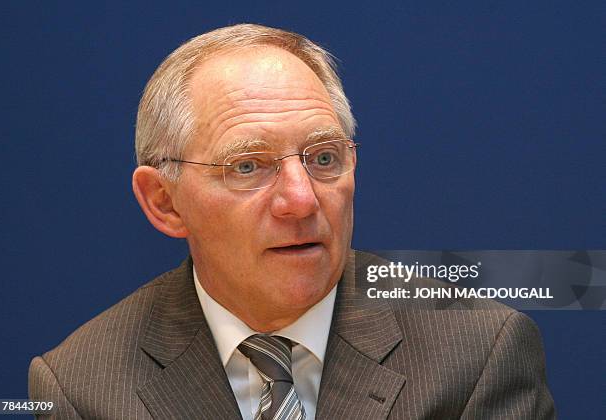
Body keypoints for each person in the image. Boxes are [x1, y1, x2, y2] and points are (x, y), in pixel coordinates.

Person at [29, 24, 555, 419]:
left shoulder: (479, 352)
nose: (301, 201)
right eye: (247, 166)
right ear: (165, 201)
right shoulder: (79, 387)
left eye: (324, 158)